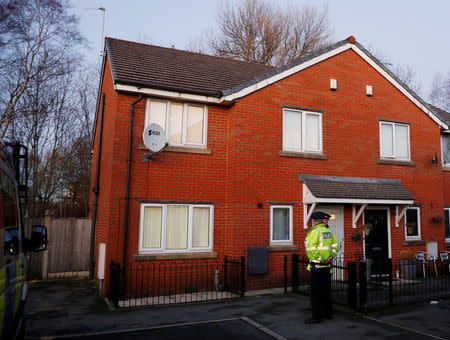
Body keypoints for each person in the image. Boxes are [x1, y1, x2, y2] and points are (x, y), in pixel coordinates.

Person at [304, 211, 339, 324]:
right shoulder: (328, 231)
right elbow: (335, 246)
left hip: (317, 268)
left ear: (314, 221)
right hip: (327, 267)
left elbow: (310, 250)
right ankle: (328, 314)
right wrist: (330, 257)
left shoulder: (315, 232)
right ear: (322, 220)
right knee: (326, 292)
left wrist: (321, 259)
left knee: (316, 294)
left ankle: (316, 317)